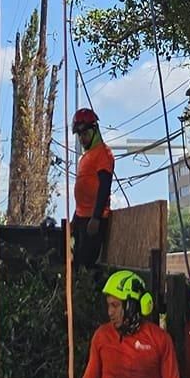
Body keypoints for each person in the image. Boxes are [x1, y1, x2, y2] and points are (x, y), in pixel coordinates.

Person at [72, 107, 115, 266]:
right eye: (80, 135)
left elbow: (105, 186)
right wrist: (75, 219)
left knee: (86, 264)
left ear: (94, 131)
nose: (82, 138)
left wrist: (96, 217)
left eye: (85, 134)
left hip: (94, 220)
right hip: (82, 218)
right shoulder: (85, 157)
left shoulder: (103, 153)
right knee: (77, 261)